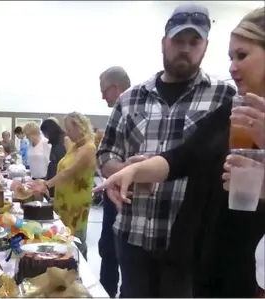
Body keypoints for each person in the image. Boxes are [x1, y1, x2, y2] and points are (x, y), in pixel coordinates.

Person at [95, 7, 265, 297]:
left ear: (204, 47)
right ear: (164, 43)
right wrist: (128, 169)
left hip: (214, 259)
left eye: (242, 55)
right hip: (158, 238)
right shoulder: (232, 106)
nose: (233, 67)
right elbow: (184, 156)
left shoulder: (223, 95)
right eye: (232, 57)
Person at [30, 112, 96, 259]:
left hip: (76, 205)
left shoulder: (88, 149)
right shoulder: (74, 145)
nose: (67, 133)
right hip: (64, 201)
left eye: (70, 129)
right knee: (63, 238)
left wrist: (46, 184)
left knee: (75, 240)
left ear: (80, 128)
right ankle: (66, 266)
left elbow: (68, 172)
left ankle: (79, 269)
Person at [98, 66, 131, 298]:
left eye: (104, 90)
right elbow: (104, 156)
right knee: (108, 249)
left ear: (116, 87)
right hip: (113, 196)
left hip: (130, 198)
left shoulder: (135, 110)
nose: (102, 96)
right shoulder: (118, 114)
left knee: (124, 256)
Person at [40, 119, 67, 197]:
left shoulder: (62, 141)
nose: (44, 136)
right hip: (54, 175)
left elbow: (61, 162)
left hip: (58, 177)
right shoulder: (57, 140)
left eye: (44, 133)